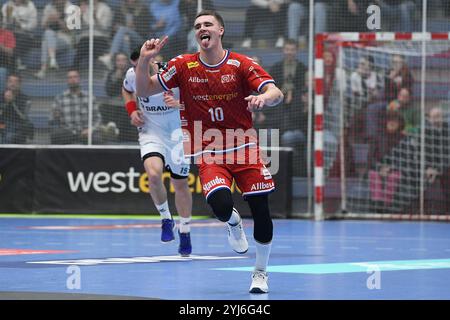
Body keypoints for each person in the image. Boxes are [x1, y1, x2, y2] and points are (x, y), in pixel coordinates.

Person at [135, 10, 284, 293]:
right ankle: (233, 222)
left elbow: (277, 92)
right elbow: (144, 89)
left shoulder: (241, 64)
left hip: (244, 149)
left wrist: (263, 99)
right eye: (197, 26)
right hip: (208, 150)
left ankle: (260, 272)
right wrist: (144, 59)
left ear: (220, 31)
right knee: (221, 206)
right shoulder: (182, 65)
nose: (201, 28)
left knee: (262, 210)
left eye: (207, 24)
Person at [122, 48, 192, 256]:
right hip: (151, 131)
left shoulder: (172, 74)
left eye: (142, 63)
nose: (138, 69)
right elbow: (126, 90)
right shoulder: (132, 75)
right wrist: (132, 110)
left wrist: (180, 104)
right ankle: (166, 219)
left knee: (179, 183)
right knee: (153, 174)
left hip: (178, 132)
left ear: (153, 60)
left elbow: (200, 101)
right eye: (135, 65)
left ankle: (185, 231)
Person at [50, 69, 104, 144]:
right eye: (70, 77)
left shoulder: (89, 97)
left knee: (97, 139)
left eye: (75, 77)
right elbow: (51, 120)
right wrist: (55, 116)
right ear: (67, 80)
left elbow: (98, 118)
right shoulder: (60, 98)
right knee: (55, 136)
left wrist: (90, 129)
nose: (73, 79)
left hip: (86, 132)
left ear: (79, 79)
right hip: (68, 133)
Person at [34, 0, 74, 79]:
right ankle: (52, 60)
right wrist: (49, 19)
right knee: (48, 33)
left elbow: (70, 30)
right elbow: (43, 26)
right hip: (50, 38)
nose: (58, 2)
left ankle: (43, 70)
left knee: (46, 42)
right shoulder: (48, 7)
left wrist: (58, 20)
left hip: (65, 39)